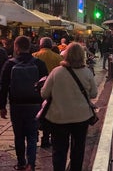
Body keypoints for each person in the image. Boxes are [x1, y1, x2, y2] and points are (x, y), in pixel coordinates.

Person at [41, 43, 97, 171]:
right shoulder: (87, 72)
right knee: (78, 149)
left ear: (66, 55)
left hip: (59, 117)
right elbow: (94, 94)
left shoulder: (56, 72)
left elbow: (44, 94)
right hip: (81, 117)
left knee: (59, 150)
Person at [0, 36, 49, 171]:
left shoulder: (9, 64)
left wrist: (2, 106)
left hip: (16, 104)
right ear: (30, 47)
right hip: (34, 104)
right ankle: (31, 163)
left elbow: (3, 86)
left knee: (19, 135)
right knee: (32, 135)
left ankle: (21, 162)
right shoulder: (39, 64)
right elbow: (46, 85)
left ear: (16, 47)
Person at [32, 37, 62, 148]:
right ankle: (46, 137)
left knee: (36, 112)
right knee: (48, 113)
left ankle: (34, 135)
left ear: (40, 45)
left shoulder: (34, 56)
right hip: (53, 90)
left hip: (37, 89)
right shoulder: (58, 57)